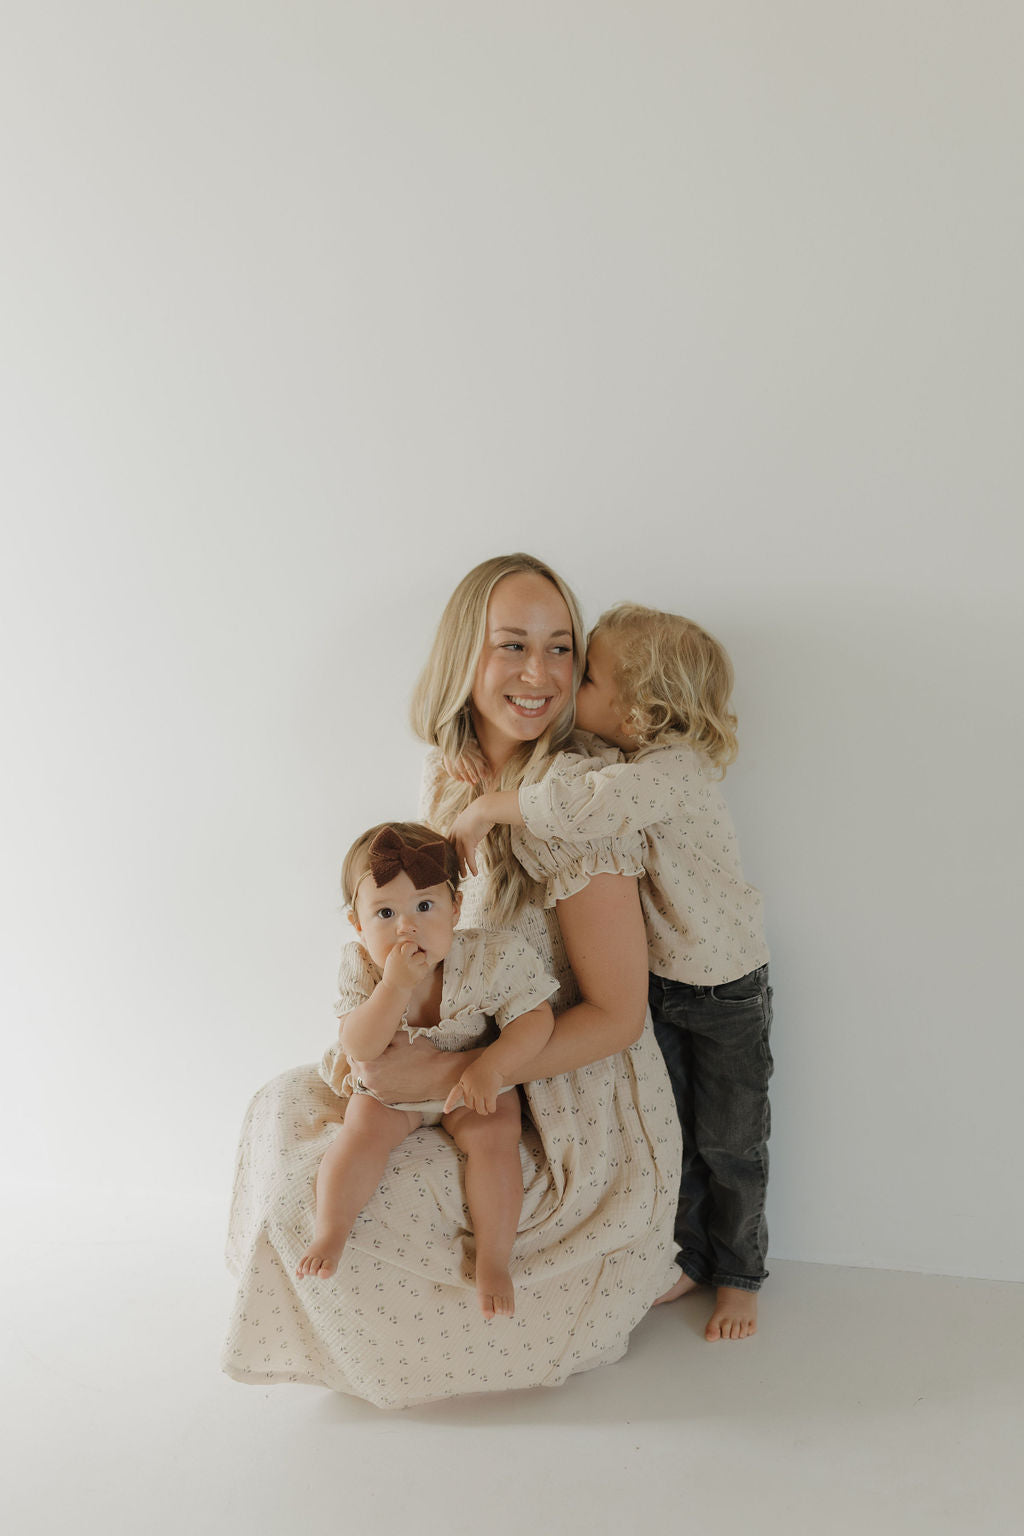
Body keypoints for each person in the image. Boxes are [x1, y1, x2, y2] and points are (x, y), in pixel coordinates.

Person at [222, 555, 682, 1409]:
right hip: (456, 1046)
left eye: (559, 649)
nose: (539, 674)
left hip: (554, 1090)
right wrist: (390, 1042)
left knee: (368, 1212)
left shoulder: (570, 809)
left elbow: (618, 1017)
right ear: (466, 657)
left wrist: (458, 1077)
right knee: (283, 1121)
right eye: (512, 646)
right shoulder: (452, 776)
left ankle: (581, 1283)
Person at [452, 602, 772, 1342]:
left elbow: (589, 808)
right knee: (682, 1134)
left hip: (726, 989)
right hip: (670, 981)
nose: (569, 687)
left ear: (642, 711)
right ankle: (689, 1255)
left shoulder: (671, 773)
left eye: (586, 674)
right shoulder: (631, 762)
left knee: (732, 1142)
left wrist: (495, 806)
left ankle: (741, 1273)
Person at [296, 821, 557, 1321]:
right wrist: (392, 988)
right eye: (385, 913)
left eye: (424, 906)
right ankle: (332, 1230)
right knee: (360, 1131)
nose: (406, 927)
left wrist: (492, 1066)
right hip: (390, 1091)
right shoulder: (363, 967)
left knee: (496, 1134)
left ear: (456, 909)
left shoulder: (490, 956)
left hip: (470, 1080)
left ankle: (493, 1259)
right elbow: (360, 1047)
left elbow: (534, 1018)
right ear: (357, 924)